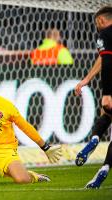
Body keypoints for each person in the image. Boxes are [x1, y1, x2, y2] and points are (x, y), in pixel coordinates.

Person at [74, 6, 112, 189]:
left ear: (101, 21)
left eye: (97, 23)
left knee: (106, 113)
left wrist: (107, 93)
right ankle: (105, 167)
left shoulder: (105, 33)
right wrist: (87, 79)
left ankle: (95, 138)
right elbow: (102, 58)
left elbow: (107, 61)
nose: (97, 27)